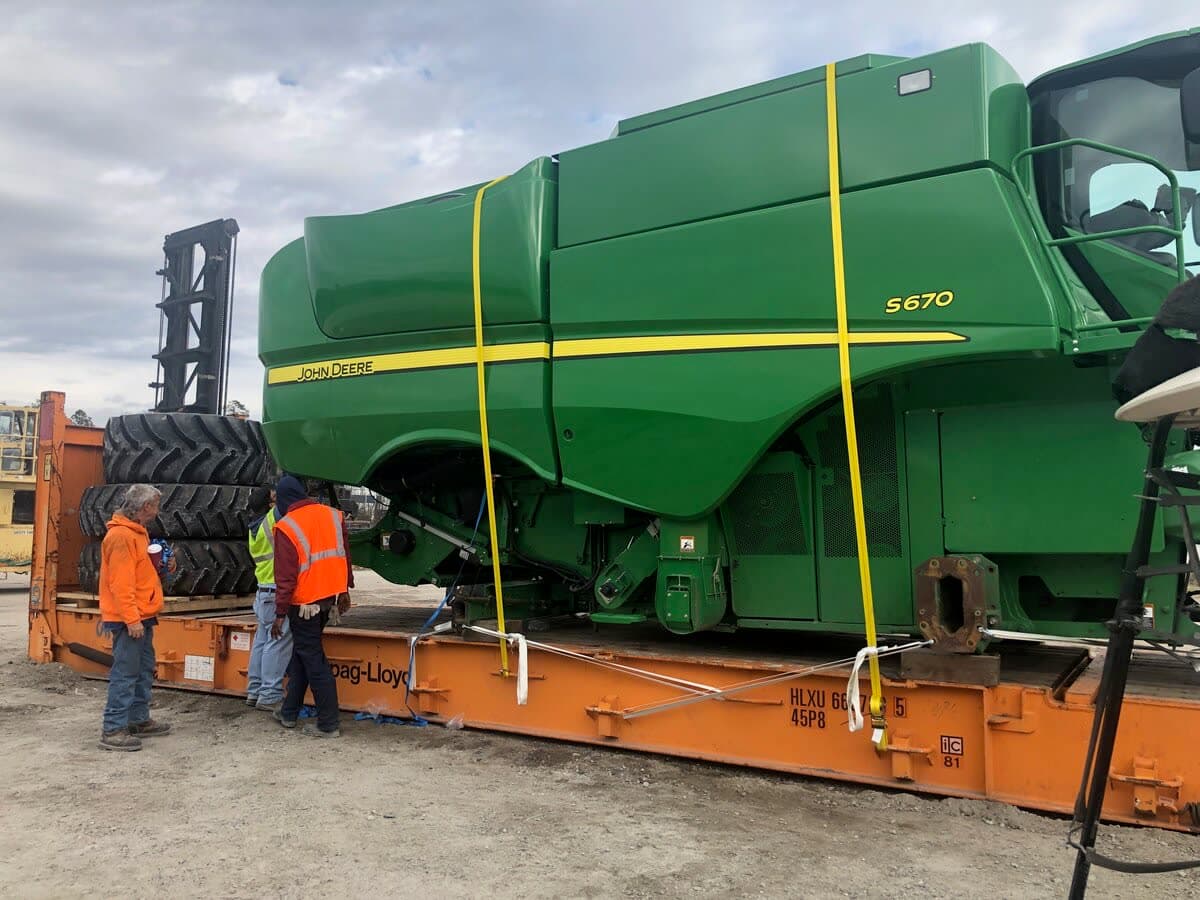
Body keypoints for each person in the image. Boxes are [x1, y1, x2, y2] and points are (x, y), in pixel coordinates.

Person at [270, 475, 353, 737]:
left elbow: (285, 576)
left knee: (313, 660)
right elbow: (344, 555)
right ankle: (289, 712)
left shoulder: (287, 526)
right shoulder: (333, 515)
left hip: (304, 604)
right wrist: (345, 590)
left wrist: (280, 613)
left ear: (284, 499)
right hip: (328, 600)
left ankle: (328, 723)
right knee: (303, 655)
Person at [98, 484, 175, 751]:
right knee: (126, 672)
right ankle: (114, 729)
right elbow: (121, 585)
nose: (156, 512)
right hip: (129, 619)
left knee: (142, 670)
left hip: (141, 615)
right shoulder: (122, 537)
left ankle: (137, 719)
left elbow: (138, 576)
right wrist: (132, 620)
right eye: (155, 506)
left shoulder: (137, 534)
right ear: (145, 507)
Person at [244, 485, 292, 712]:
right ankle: (270, 694)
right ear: (270, 504)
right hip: (275, 591)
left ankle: (254, 690)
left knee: (262, 642)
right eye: (273, 496)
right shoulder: (271, 519)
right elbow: (286, 500)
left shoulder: (254, 528)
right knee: (277, 642)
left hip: (263, 591)